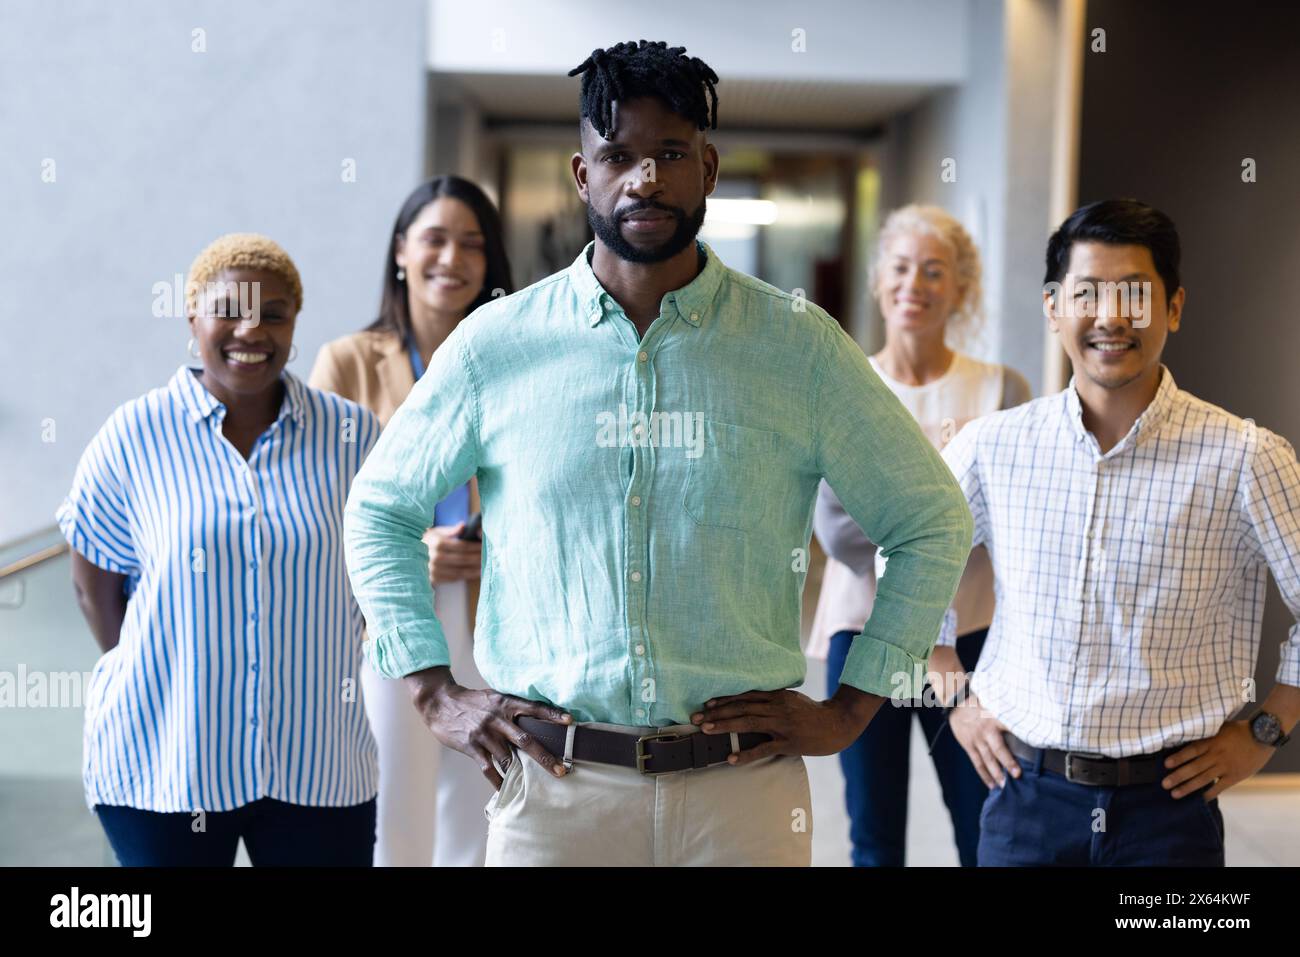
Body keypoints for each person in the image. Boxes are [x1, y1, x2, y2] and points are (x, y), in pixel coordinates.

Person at [343, 39, 973, 867]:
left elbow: (930, 520)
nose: (645, 179)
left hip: (742, 798)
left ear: (708, 169)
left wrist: (852, 707)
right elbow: (379, 506)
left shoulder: (798, 347)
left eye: (670, 154)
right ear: (582, 176)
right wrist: (430, 688)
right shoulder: (496, 345)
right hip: (556, 791)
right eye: (620, 156)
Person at [940, 199, 1300, 866]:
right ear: (1054, 308)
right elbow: (902, 561)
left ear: (1174, 308)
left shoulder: (1244, 456)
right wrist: (949, 682)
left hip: (1169, 811)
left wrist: (1269, 724)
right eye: (1086, 293)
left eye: (1135, 293)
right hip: (1026, 797)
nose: (1110, 316)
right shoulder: (993, 446)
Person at [58, 233, 381, 866]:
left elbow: (375, 571)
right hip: (166, 760)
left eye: (275, 313)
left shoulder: (352, 436)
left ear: (294, 323)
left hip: (317, 763)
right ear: (193, 318)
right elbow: (92, 585)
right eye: (229, 309)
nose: (251, 330)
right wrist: (173, 673)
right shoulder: (133, 435)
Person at [811, 203, 1032, 866]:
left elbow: (1015, 518)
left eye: (935, 271)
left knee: (984, 821)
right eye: (901, 268)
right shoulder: (846, 383)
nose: (916, 283)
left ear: (960, 288)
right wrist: (951, 505)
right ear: (879, 281)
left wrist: (905, 510)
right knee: (874, 837)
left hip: (972, 639)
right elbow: (838, 532)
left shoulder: (1001, 390)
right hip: (864, 633)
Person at [309, 176, 513, 867]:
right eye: (435, 239)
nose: (452, 258)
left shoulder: (512, 362)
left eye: (472, 244)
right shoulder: (349, 362)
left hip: (494, 607)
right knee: (394, 801)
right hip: (393, 609)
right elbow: (319, 501)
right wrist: (411, 546)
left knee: (483, 800)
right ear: (401, 251)